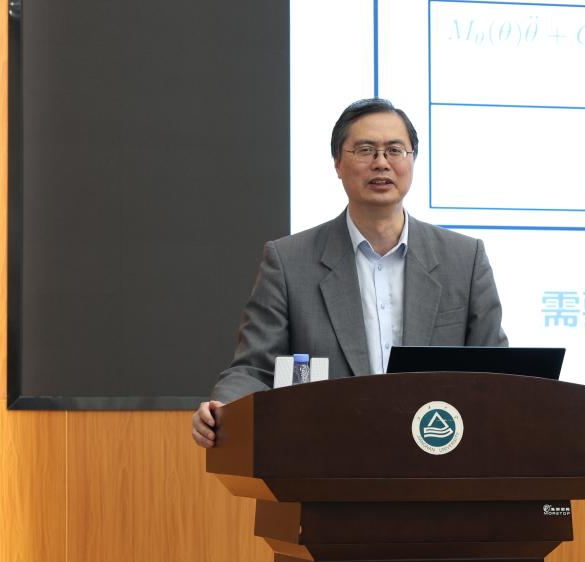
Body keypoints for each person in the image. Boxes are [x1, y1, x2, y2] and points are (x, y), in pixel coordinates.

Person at [191, 98, 507, 447]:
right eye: (365, 150)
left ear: (413, 160)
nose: (381, 163)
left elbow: (496, 373)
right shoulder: (288, 261)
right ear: (338, 163)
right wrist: (223, 408)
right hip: (328, 456)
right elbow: (255, 368)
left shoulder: (464, 259)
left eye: (395, 150)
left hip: (437, 456)